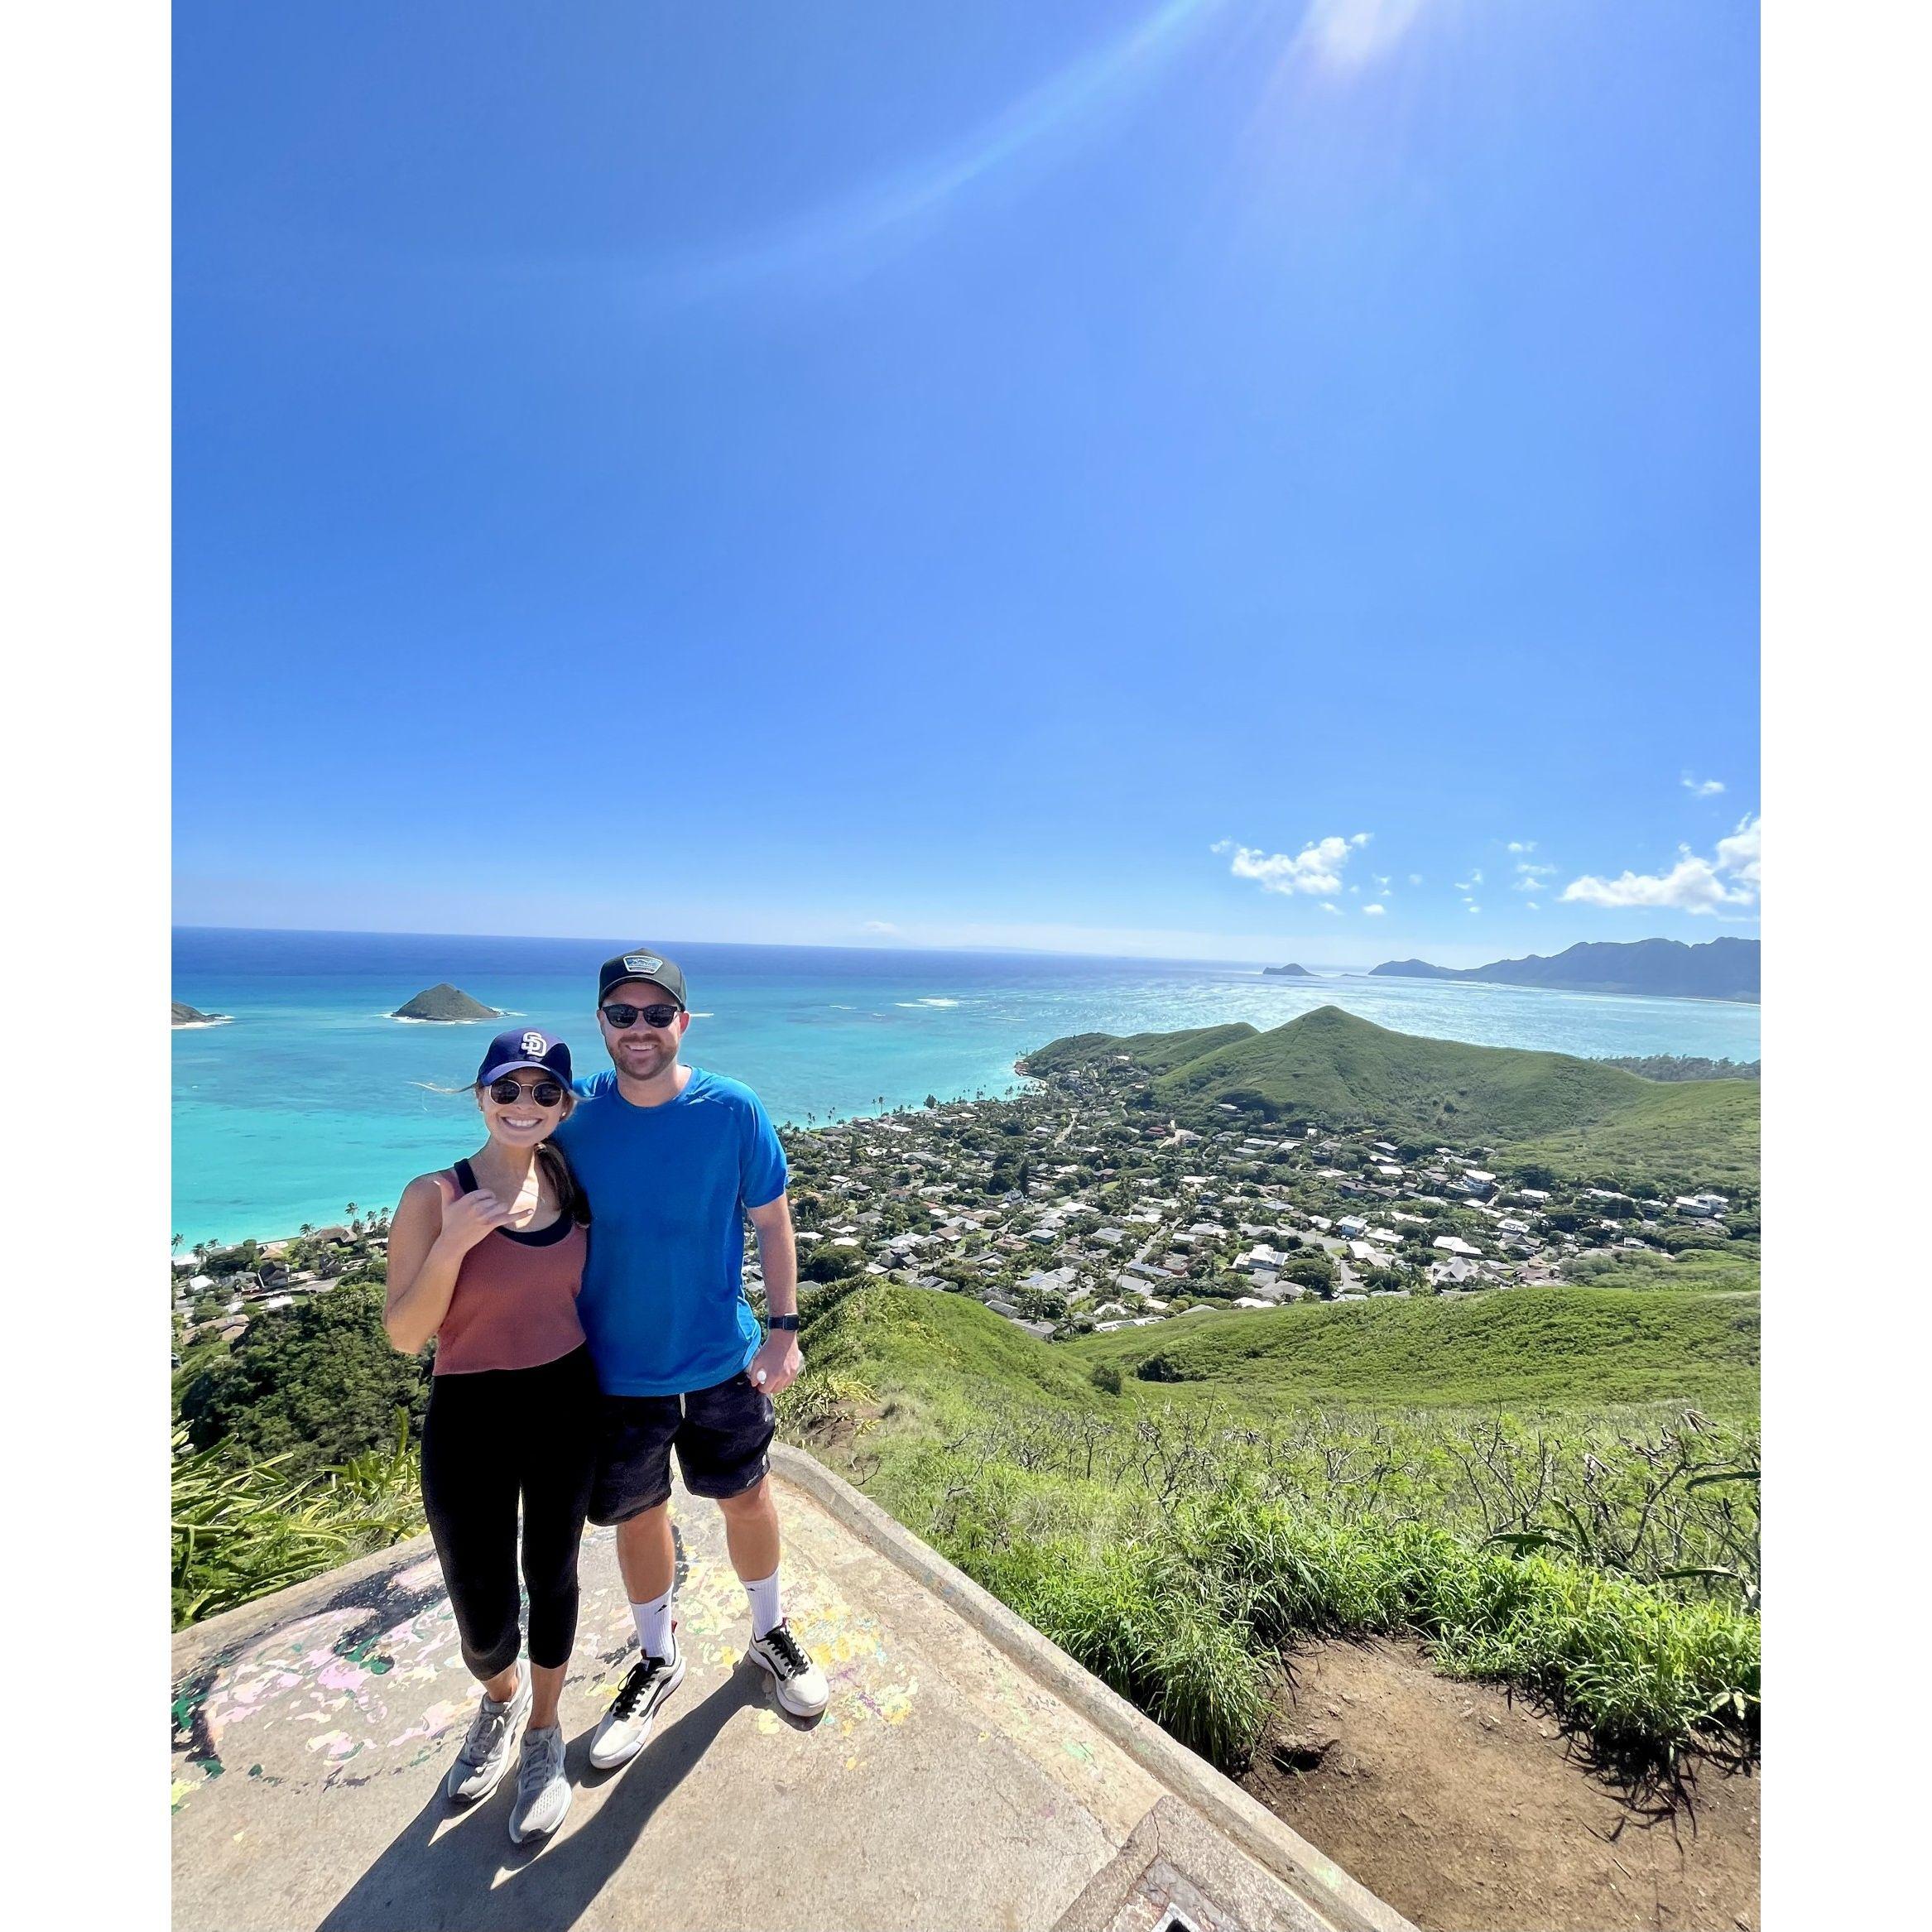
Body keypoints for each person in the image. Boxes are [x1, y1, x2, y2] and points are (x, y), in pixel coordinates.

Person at [554, 947, 829, 1771]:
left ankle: (770, 1633)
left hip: (720, 1360)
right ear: (601, 1023)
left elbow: (774, 1223)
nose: (639, 1030)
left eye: (656, 1014)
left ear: (684, 1020)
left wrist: (784, 1330)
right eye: (621, 1014)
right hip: (615, 1370)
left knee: (747, 1500)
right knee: (638, 1517)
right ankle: (657, 1657)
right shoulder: (572, 1116)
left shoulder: (733, 1110)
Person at [382, 1026, 597, 1843]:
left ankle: (543, 1730)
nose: (523, 1105)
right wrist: (455, 1245)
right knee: (477, 1591)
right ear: (480, 1096)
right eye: (506, 1088)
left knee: (554, 1571)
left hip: (567, 1398)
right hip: (470, 1410)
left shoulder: (571, 1185)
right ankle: (500, 1701)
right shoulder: (433, 1195)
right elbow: (406, 1334)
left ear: (564, 1108)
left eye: (545, 1093)